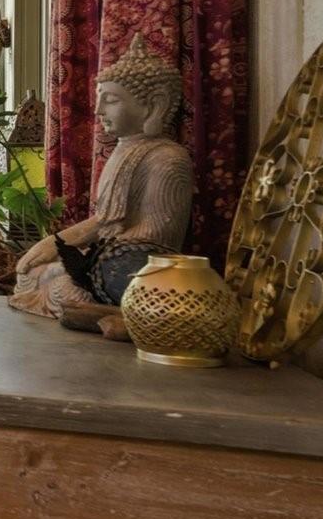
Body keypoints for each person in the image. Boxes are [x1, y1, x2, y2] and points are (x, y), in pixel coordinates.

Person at [10, 35, 193, 320]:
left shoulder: (169, 158)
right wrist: (57, 246)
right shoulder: (122, 152)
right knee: (32, 275)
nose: (98, 111)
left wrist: (81, 254)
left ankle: (111, 315)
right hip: (109, 259)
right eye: (99, 100)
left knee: (63, 288)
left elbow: (158, 236)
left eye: (111, 100)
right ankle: (103, 314)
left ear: (154, 105)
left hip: (141, 270)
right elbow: (105, 220)